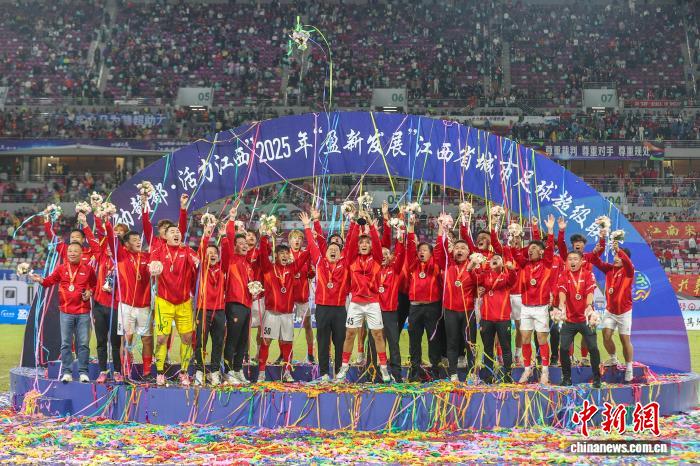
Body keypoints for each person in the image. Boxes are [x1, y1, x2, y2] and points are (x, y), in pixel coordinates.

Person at [335, 213, 392, 383]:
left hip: (373, 302)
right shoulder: (351, 259)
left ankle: (383, 367)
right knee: (350, 334)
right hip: (356, 303)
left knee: (378, 335)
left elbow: (378, 243)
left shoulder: (377, 259)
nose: (364, 244)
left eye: (367, 242)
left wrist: (371, 226)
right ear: (358, 246)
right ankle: (344, 366)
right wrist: (354, 223)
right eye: (361, 243)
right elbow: (352, 242)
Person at [30, 243, 97, 383]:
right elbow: (48, 281)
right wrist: (39, 279)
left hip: (83, 312)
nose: (72, 253)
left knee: (83, 344)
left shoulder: (88, 269)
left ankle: (83, 372)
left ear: (81, 254)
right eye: (70, 251)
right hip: (66, 312)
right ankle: (67, 372)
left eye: (75, 251)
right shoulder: (61, 268)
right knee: (66, 344)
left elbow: (94, 285)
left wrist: (90, 291)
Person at [301, 212, 356, 381]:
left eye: (336, 250)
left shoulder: (345, 263)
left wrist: (353, 222)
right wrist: (307, 227)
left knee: (340, 342)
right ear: (325, 252)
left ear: (341, 253)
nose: (333, 250)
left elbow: (352, 242)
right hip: (322, 308)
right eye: (330, 249)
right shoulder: (319, 262)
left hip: (339, 309)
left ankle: (339, 373)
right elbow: (312, 244)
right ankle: (324, 373)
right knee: (323, 342)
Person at [149, 224, 199, 386]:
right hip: (164, 301)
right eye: (172, 232)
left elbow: (196, 262)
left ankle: (184, 372)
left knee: (187, 338)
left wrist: (196, 261)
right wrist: (153, 267)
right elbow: (152, 264)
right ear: (165, 236)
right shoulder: (158, 250)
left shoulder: (187, 250)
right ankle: (160, 372)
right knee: (161, 338)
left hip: (184, 302)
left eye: (178, 231)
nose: (176, 233)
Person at [257, 229, 310, 382]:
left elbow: (307, 254)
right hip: (271, 313)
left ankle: (287, 372)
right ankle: (261, 373)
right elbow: (262, 253)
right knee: (266, 342)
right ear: (276, 256)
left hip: (287, 315)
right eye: (282, 253)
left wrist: (310, 233)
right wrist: (264, 236)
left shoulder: (293, 269)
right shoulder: (268, 268)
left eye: (287, 253)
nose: (285, 256)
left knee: (287, 343)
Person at [512, 214, 555, 384]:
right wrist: (514, 239)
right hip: (526, 307)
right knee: (525, 338)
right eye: (529, 248)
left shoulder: (547, 263)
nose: (530, 250)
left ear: (541, 251)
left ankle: (545, 371)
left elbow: (550, 248)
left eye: (534, 248)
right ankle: (527, 369)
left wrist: (550, 231)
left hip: (541, 308)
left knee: (542, 339)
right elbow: (515, 254)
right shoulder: (525, 264)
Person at [437, 217, 480, 382]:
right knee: (452, 342)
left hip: (468, 311)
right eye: (456, 248)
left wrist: (472, 270)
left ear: (469, 252)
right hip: (450, 311)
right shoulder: (448, 265)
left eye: (463, 248)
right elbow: (440, 250)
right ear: (452, 251)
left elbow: (479, 284)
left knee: (470, 343)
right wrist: (442, 230)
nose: (459, 250)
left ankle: (472, 373)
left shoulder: (474, 266)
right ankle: (453, 373)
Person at [557, 218, 605, 366]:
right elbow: (561, 246)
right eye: (575, 242)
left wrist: (602, 237)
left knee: (587, 331)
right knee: (568, 331)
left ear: (584, 245)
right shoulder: (568, 257)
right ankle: (569, 357)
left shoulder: (589, 257)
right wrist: (561, 231)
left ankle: (584, 357)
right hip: (570, 298)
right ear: (572, 245)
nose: (577, 244)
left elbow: (600, 250)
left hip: (586, 298)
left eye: (580, 242)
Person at [589, 242, 635, 382]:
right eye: (615, 255)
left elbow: (628, 263)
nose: (616, 258)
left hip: (624, 312)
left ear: (625, 259)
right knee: (606, 335)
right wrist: (596, 251)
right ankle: (614, 359)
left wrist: (619, 250)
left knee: (624, 340)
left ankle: (629, 367)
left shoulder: (629, 271)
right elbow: (595, 261)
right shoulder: (609, 269)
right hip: (610, 311)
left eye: (619, 256)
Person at [406, 214, 444, 381]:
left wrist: (441, 228)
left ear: (431, 253)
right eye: (419, 250)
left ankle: (435, 370)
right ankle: (415, 371)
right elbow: (409, 248)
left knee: (433, 340)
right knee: (414, 340)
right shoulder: (413, 265)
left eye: (425, 250)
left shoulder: (435, 266)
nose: (421, 252)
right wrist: (411, 226)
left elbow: (440, 249)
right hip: (415, 307)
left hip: (432, 307)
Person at [222, 205, 258, 384]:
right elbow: (229, 238)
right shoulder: (231, 259)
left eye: (246, 244)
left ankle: (238, 370)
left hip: (247, 305)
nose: (245, 246)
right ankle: (227, 371)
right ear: (234, 246)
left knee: (243, 341)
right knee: (233, 339)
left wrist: (255, 291)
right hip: (234, 304)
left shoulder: (248, 264)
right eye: (241, 243)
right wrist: (231, 219)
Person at [556, 251, 601, 388]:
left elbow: (590, 292)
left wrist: (589, 305)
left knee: (593, 347)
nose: (572, 261)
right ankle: (567, 378)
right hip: (569, 319)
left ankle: (597, 378)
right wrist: (561, 305)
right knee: (564, 348)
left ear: (581, 261)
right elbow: (562, 291)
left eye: (575, 259)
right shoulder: (563, 275)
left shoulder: (588, 274)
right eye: (569, 259)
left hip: (585, 318)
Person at [193, 222, 229, 386]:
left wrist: (225, 237)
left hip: (219, 311)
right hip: (202, 310)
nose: (212, 255)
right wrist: (207, 235)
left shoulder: (222, 268)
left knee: (218, 342)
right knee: (200, 342)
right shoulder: (201, 268)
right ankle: (199, 371)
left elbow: (227, 253)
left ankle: (214, 371)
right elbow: (201, 251)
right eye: (209, 253)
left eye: (215, 253)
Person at [477, 253, 517, 384]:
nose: (494, 260)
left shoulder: (506, 277)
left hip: (503, 318)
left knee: (506, 348)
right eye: (492, 259)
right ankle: (488, 376)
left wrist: (511, 269)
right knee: (488, 348)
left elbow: (513, 279)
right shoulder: (484, 276)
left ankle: (508, 376)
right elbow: (475, 280)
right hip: (486, 318)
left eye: (498, 259)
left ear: (502, 263)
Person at [288, 226, 316, 364]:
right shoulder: (285, 255)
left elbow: (310, 273)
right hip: (288, 297)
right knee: (287, 328)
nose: (297, 240)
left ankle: (310, 354)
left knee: (308, 325)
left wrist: (312, 272)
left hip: (303, 296)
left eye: (300, 238)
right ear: (290, 241)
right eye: (294, 238)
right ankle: (285, 354)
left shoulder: (306, 255)